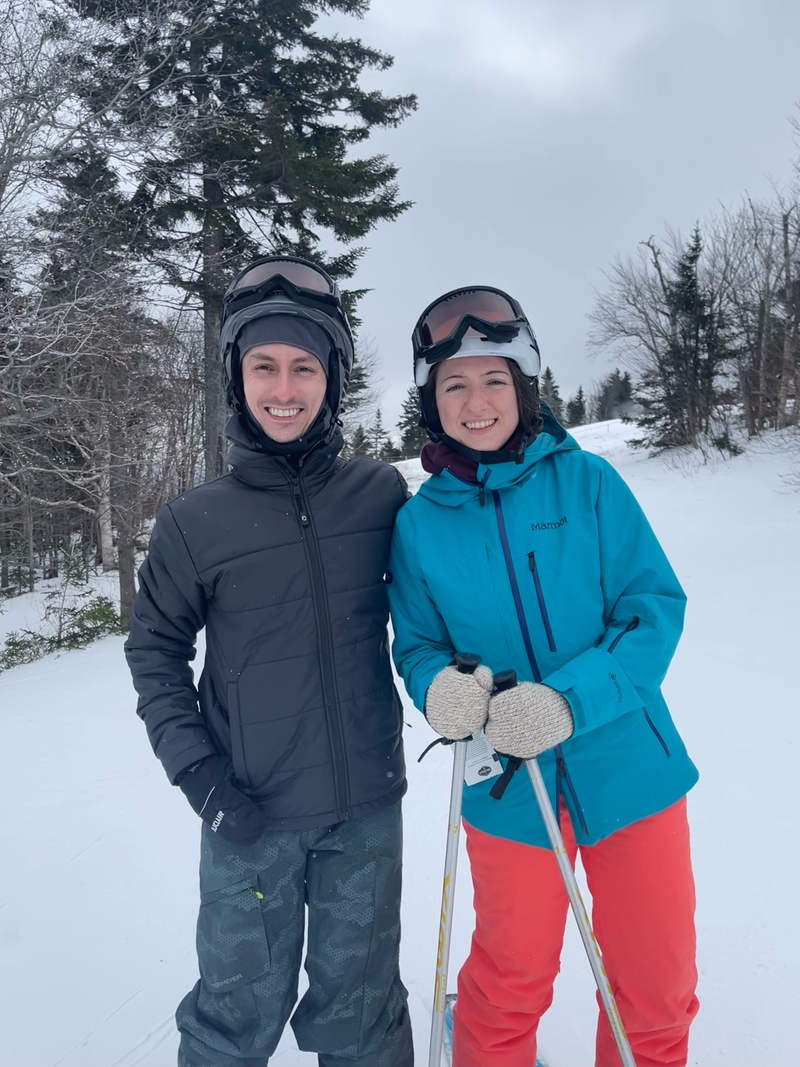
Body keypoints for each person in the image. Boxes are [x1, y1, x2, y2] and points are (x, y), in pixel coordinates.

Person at [387, 286, 700, 1067]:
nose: (476, 400)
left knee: (654, 985)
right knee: (513, 975)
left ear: (524, 385)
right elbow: (417, 641)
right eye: (453, 384)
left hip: (629, 761)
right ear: (432, 402)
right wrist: (436, 688)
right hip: (508, 779)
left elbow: (651, 607)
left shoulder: (588, 484)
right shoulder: (419, 525)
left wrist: (569, 699)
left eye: (494, 378)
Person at [124, 257, 413, 1067]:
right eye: (263, 367)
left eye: (304, 367)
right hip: (248, 813)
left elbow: (441, 600)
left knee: (364, 1013)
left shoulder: (379, 493)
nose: (283, 389)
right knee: (232, 1021)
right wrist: (200, 778)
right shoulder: (193, 522)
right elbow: (154, 651)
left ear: (333, 378)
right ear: (236, 376)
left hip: (364, 810)